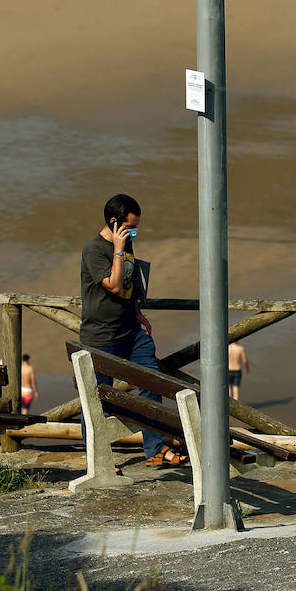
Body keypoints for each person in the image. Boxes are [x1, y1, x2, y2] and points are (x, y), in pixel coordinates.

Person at [80, 192, 186, 468]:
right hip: (100, 336)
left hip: (131, 331)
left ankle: (155, 449)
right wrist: (118, 248)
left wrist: (138, 313)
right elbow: (114, 284)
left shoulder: (126, 243)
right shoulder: (94, 250)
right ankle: (98, 458)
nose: (135, 233)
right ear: (115, 223)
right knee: (94, 399)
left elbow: (129, 280)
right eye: (131, 227)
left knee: (152, 381)